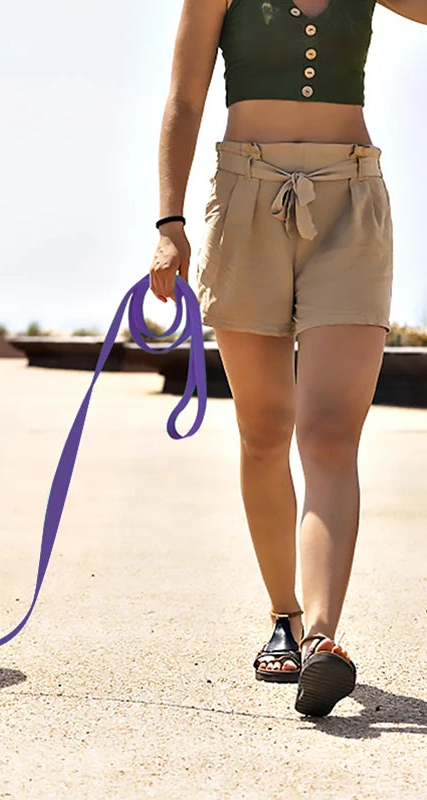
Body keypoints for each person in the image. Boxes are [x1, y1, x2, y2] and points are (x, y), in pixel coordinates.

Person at [150, 0, 421, 716]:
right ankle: (286, 616)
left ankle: (325, 639)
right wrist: (170, 224)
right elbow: (184, 97)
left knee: (330, 433)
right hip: (244, 200)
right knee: (264, 431)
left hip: (351, 199)